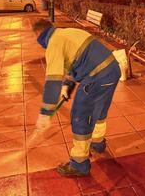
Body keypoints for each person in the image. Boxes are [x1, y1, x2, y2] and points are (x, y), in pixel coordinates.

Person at [33, 19, 121, 177]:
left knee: (80, 115)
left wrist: (45, 114)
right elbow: (75, 61)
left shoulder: (53, 43)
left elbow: (52, 82)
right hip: (112, 70)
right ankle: (98, 143)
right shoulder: (67, 33)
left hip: (97, 76)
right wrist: (68, 84)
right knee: (99, 110)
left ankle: (79, 164)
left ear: (39, 34)